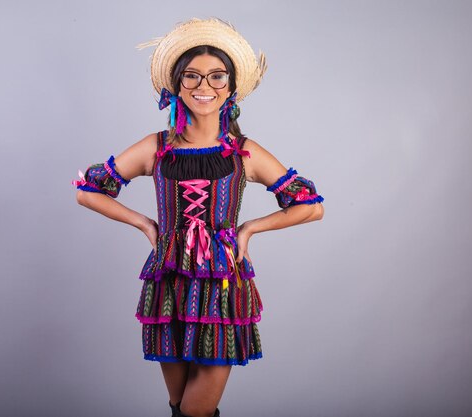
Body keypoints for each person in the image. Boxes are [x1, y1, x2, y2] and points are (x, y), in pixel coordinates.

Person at [73, 18, 324, 417]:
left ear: (231, 87)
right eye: (191, 77)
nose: (204, 87)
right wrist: (144, 223)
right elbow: (89, 193)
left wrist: (251, 228)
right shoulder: (154, 147)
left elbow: (311, 206)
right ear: (176, 85)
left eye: (216, 77)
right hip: (168, 284)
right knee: (178, 407)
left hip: (222, 286)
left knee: (195, 412)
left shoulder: (244, 152)